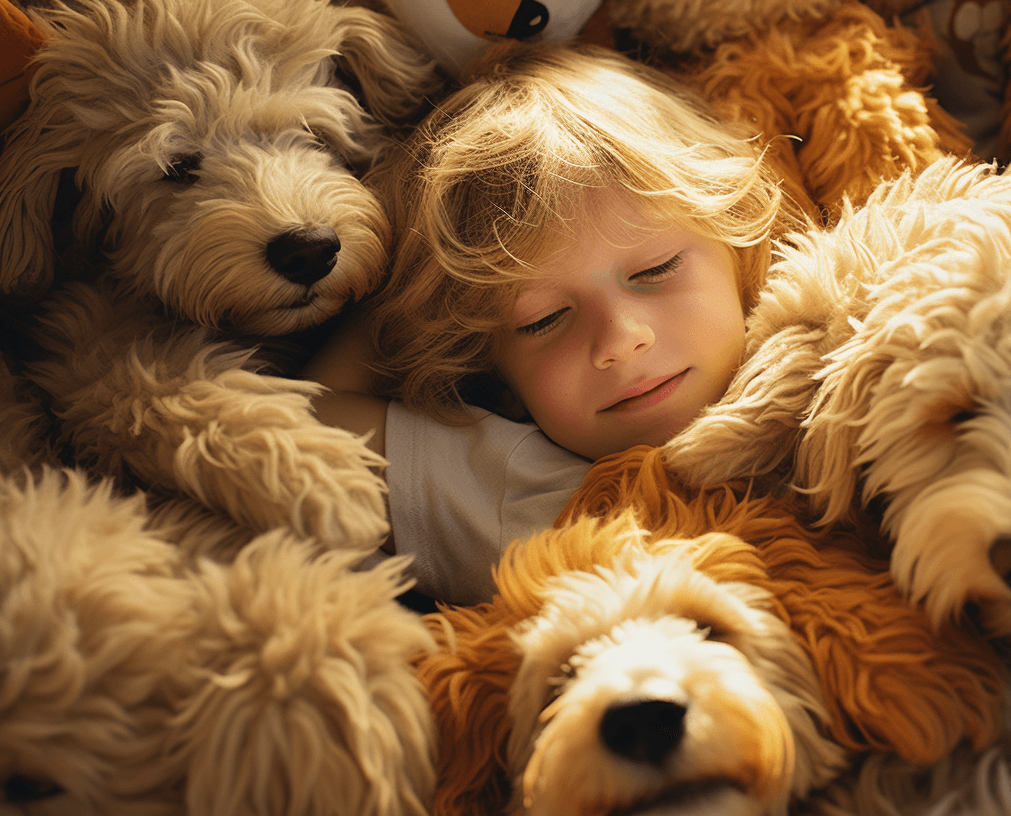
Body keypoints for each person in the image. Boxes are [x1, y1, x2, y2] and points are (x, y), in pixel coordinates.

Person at [302, 39, 799, 605]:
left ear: (738, 243)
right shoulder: (532, 493)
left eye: (656, 269)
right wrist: (414, 303)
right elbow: (306, 423)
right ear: (495, 375)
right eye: (543, 321)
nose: (620, 338)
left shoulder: (831, 350)